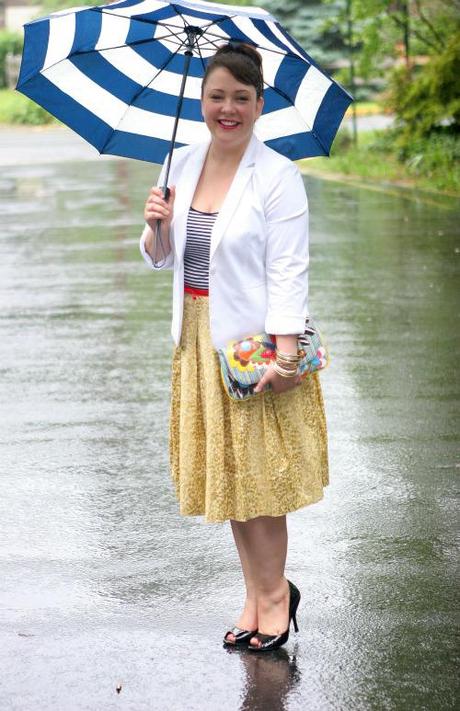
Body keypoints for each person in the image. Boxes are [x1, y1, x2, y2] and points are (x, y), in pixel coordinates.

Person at [140, 42, 328, 652]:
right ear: (201, 100)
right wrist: (155, 224)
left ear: (259, 103)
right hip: (197, 336)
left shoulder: (277, 176)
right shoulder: (181, 161)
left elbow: (288, 272)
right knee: (231, 479)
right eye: (216, 96)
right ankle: (254, 595)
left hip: (253, 347)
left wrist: (287, 356)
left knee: (260, 481)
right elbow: (163, 258)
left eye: (240, 98)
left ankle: (276, 600)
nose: (228, 109)